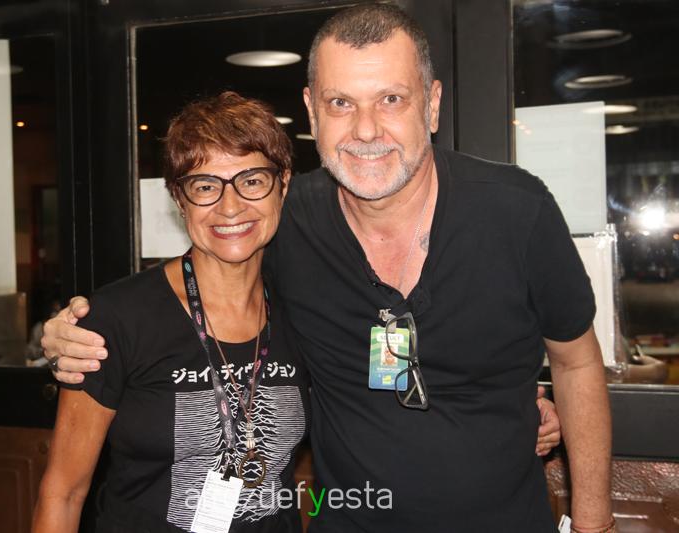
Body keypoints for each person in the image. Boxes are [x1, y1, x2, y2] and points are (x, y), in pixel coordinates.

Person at [43, 4, 613, 532]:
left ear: (432, 104)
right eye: (341, 103)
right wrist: (70, 330)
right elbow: (193, 281)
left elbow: (577, 362)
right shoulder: (282, 221)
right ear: (313, 111)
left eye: (391, 99)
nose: (366, 129)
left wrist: (594, 524)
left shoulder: (517, 211)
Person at [33, 92, 309, 532]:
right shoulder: (115, 319)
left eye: (252, 180)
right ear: (180, 199)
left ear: (283, 184)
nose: (231, 206)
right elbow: (62, 493)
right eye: (205, 186)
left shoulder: (304, 309)